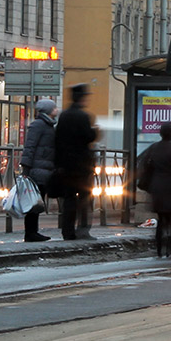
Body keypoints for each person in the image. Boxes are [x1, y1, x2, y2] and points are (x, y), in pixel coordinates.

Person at [138, 121, 171, 258]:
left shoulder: (154, 148)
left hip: (157, 188)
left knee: (161, 219)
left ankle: (159, 248)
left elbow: (145, 167)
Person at [53, 84, 97, 240]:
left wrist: (58, 164)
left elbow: (57, 141)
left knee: (69, 199)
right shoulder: (82, 116)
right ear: (82, 98)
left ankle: (68, 231)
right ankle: (83, 230)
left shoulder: (64, 116)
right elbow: (88, 136)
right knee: (85, 197)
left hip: (66, 165)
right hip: (82, 166)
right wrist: (95, 131)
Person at [19, 98, 57, 242]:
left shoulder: (48, 125)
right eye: (54, 108)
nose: (56, 110)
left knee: (38, 201)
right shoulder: (39, 125)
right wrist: (26, 169)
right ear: (49, 110)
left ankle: (33, 232)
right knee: (34, 202)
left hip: (44, 168)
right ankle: (30, 233)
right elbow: (30, 147)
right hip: (37, 169)